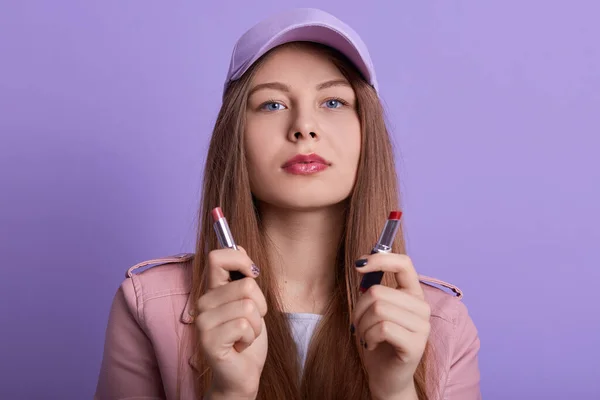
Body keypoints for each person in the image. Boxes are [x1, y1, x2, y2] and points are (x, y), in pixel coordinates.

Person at [94, 8, 481, 400]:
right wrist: (230, 392)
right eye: (272, 104)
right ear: (235, 138)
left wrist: (396, 389)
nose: (304, 127)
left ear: (368, 132)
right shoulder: (148, 305)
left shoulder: (443, 323)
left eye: (333, 102)